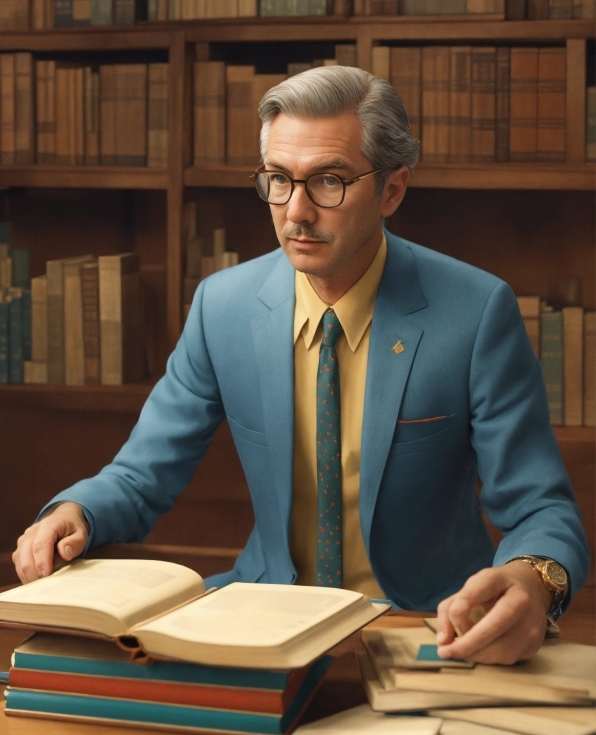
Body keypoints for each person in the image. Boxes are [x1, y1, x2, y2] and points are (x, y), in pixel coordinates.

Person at [12, 66, 589, 665]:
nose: (297, 212)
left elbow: (539, 508)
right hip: (259, 619)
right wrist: (75, 510)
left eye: (329, 181)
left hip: (427, 626)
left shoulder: (476, 313)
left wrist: (532, 579)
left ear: (392, 189)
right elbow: (141, 475)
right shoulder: (223, 306)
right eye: (279, 181)